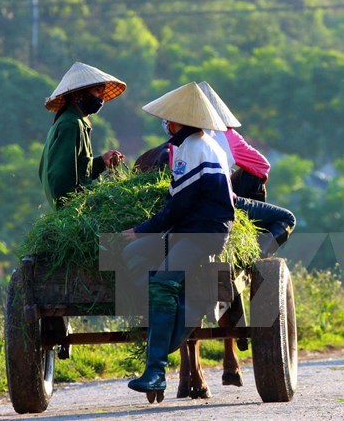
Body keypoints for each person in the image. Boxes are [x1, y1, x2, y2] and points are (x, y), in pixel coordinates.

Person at [121, 82, 234, 398]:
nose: (165, 124)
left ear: (182, 121)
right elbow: (178, 203)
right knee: (132, 255)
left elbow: (178, 206)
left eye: (169, 119)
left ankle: (155, 368)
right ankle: (174, 314)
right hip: (186, 231)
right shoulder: (190, 146)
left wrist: (142, 229)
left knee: (162, 283)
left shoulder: (198, 148)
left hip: (204, 233)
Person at [39, 62, 127, 209]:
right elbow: (60, 174)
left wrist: (101, 162)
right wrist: (71, 209)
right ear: (78, 94)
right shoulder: (71, 124)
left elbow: (78, 171)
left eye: (102, 92)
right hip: (72, 209)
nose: (101, 97)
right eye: (97, 91)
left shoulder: (76, 121)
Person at [198, 81, 271, 202]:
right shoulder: (226, 135)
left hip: (188, 194)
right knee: (286, 217)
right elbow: (261, 165)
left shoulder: (178, 137)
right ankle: (250, 216)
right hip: (217, 196)